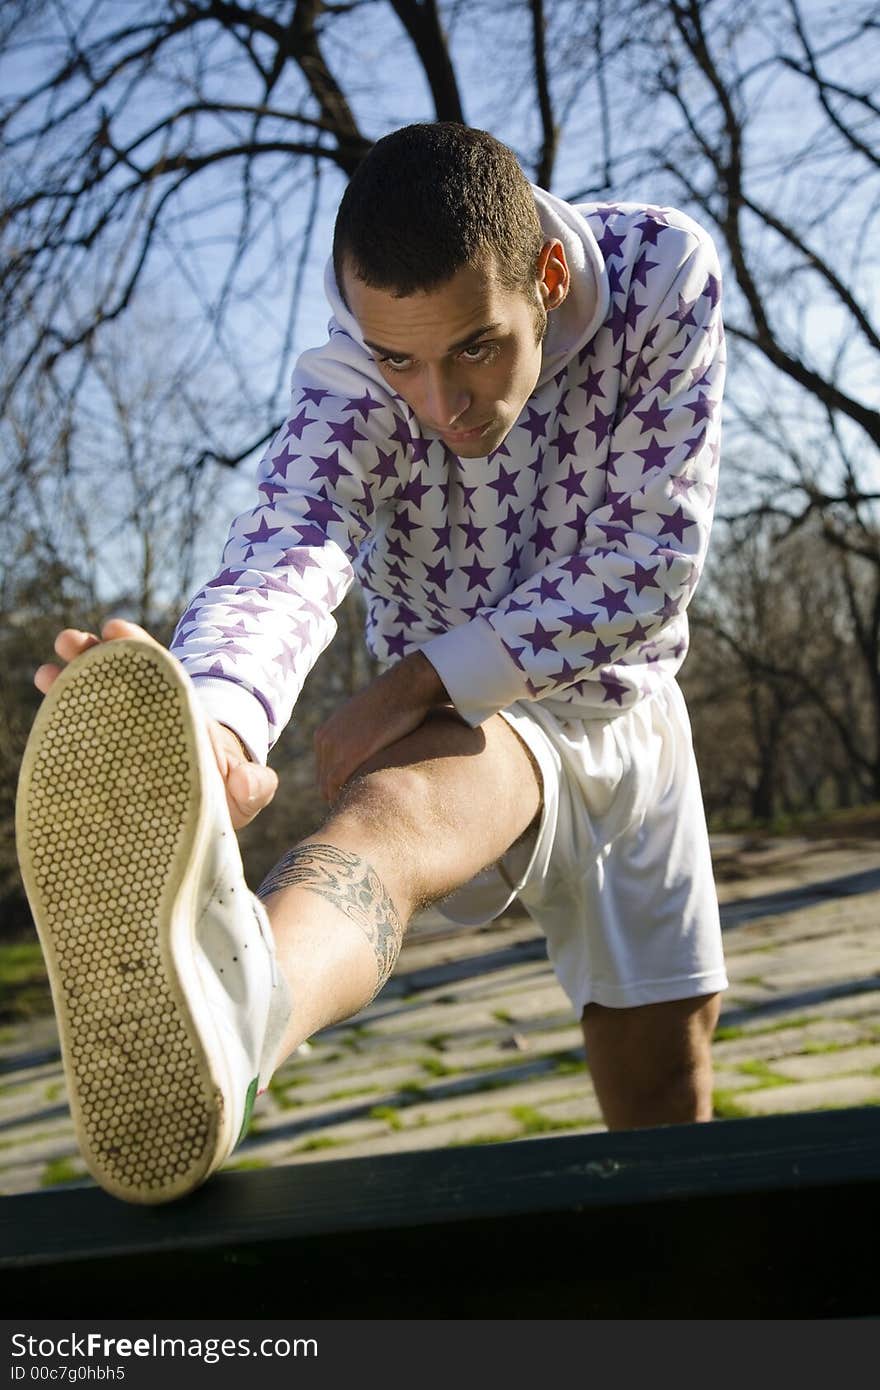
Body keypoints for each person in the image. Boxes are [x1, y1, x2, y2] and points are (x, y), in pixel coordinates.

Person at [17, 122, 728, 1206]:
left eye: (474, 348)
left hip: (626, 704)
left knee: (664, 1099)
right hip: (482, 734)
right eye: (402, 359)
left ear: (544, 277)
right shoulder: (356, 376)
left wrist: (411, 680)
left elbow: (649, 565)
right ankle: (235, 1017)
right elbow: (287, 550)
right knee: (387, 819)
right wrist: (211, 722)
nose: (440, 406)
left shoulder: (659, 272)